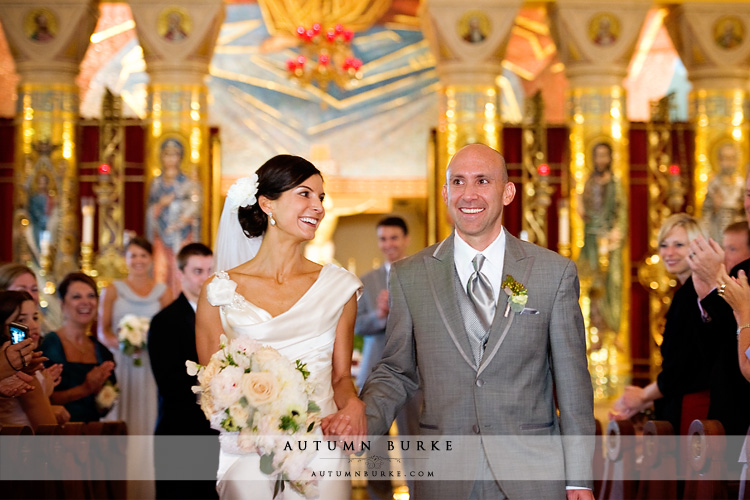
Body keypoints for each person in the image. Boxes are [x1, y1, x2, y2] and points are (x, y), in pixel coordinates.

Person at [359, 144, 595, 500]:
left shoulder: (552, 272)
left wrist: (578, 478)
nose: (469, 194)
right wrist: (360, 424)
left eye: (482, 181)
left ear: (507, 191)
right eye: (458, 181)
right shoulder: (410, 276)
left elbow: (573, 382)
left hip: (531, 473)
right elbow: (396, 371)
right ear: (445, 193)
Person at [196, 155, 363, 500]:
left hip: (322, 446)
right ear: (267, 203)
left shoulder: (340, 287)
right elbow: (213, 385)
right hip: (249, 449)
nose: (317, 207)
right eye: (305, 194)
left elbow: (340, 378)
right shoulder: (219, 290)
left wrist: (354, 406)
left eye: (321, 198)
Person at [610, 214, 711, 436]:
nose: (668, 253)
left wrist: (643, 396)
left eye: (678, 245)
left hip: (695, 408)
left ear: (697, 246)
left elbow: (681, 371)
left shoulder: (691, 295)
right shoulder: (687, 292)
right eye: (664, 245)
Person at [98, 236, 171, 499]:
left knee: (150, 418)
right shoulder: (113, 289)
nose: (138, 261)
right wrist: (124, 343)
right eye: (133, 256)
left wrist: (149, 343)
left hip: (151, 365)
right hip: (122, 364)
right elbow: (102, 330)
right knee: (122, 417)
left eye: (143, 256)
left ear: (151, 260)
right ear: (126, 259)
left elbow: (169, 331)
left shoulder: (162, 291)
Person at [355, 216, 421, 500]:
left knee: (415, 439)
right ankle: (377, 496)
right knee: (375, 445)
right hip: (374, 370)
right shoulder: (366, 281)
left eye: (394, 238)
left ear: (405, 239)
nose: (388, 244)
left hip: (413, 370)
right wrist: (379, 315)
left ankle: (420, 493)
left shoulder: (420, 275)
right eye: (383, 238)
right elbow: (355, 325)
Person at [688, 171, 750, 465]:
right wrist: (707, 297)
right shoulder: (743, 270)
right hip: (727, 418)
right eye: (748, 195)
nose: (749, 204)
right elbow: (712, 353)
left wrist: (718, 283)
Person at [148, 242, 218, 500]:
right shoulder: (165, 321)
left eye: (210, 270)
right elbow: (170, 384)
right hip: (180, 433)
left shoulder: (223, 317)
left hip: (217, 434)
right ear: (180, 274)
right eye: (198, 271)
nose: (206, 278)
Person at [40, 273, 116, 422]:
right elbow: (42, 399)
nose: (86, 302)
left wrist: (102, 395)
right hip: (59, 431)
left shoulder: (102, 352)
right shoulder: (50, 345)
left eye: (91, 296)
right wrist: (85, 389)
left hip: (93, 435)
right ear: (62, 304)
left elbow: (104, 408)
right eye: (76, 297)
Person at [578, 142, 626, 346]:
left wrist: (617, 232)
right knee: (591, 283)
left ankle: (613, 331)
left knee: (611, 284)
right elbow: (584, 211)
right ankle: (594, 333)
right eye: (598, 156)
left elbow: (622, 212)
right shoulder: (588, 183)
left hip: (609, 242)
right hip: (591, 242)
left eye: (605, 156)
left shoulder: (616, 185)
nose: (601, 160)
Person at [146, 138, 202, 295]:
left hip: (182, 235)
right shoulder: (156, 184)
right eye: (166, 154)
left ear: (181, 157)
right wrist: (161, 204)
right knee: (161, 270)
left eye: (175, 155)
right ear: (161, 157)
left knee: (180, 269)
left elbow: (195, 206)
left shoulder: (189, 183)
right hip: (161, 235)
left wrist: (183, 218)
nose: (170, 159)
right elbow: (151, 210)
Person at [0, 291, 57, 430]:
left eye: (35, 317)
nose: (33, 326)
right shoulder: (18, 368)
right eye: (21, 320)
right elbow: (47, 429)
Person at [701, 143, 745, 243]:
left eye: (732, 158)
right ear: (719, 160)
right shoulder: (714, 184)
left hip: (739, 230)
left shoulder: (741, 184)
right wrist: (715, 207)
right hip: (718, 231)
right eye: (725, 158)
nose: (729, 163)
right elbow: (706, 214)